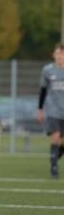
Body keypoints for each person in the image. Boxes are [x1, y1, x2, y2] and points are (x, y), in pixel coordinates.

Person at [37, 43, 64, 178]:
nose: (60, 56)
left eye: (62, 54)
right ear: (54, 55)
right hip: (53, 111)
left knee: (62, 141)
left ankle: (58, 152)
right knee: (55, 135)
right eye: (58, 53)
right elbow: (42, 91)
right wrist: (40, 109)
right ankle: (54, 167)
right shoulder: (47, 70)